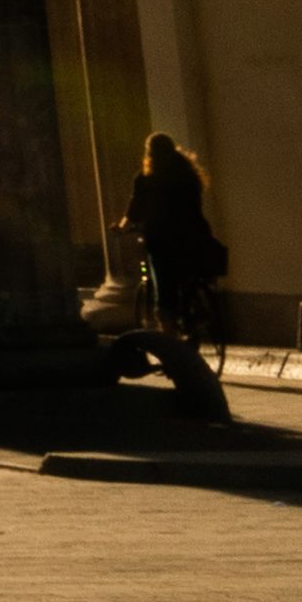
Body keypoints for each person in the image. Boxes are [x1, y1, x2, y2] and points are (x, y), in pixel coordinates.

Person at [123, 132, 230, 415]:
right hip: (196, 238)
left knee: (164, 299)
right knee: (191, 277)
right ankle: (198, 312)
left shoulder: (145, 180)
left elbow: (134, 212)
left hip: (163, 242)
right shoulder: (188, 177)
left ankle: (172, 354)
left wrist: (123, 225)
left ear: (150, 155)